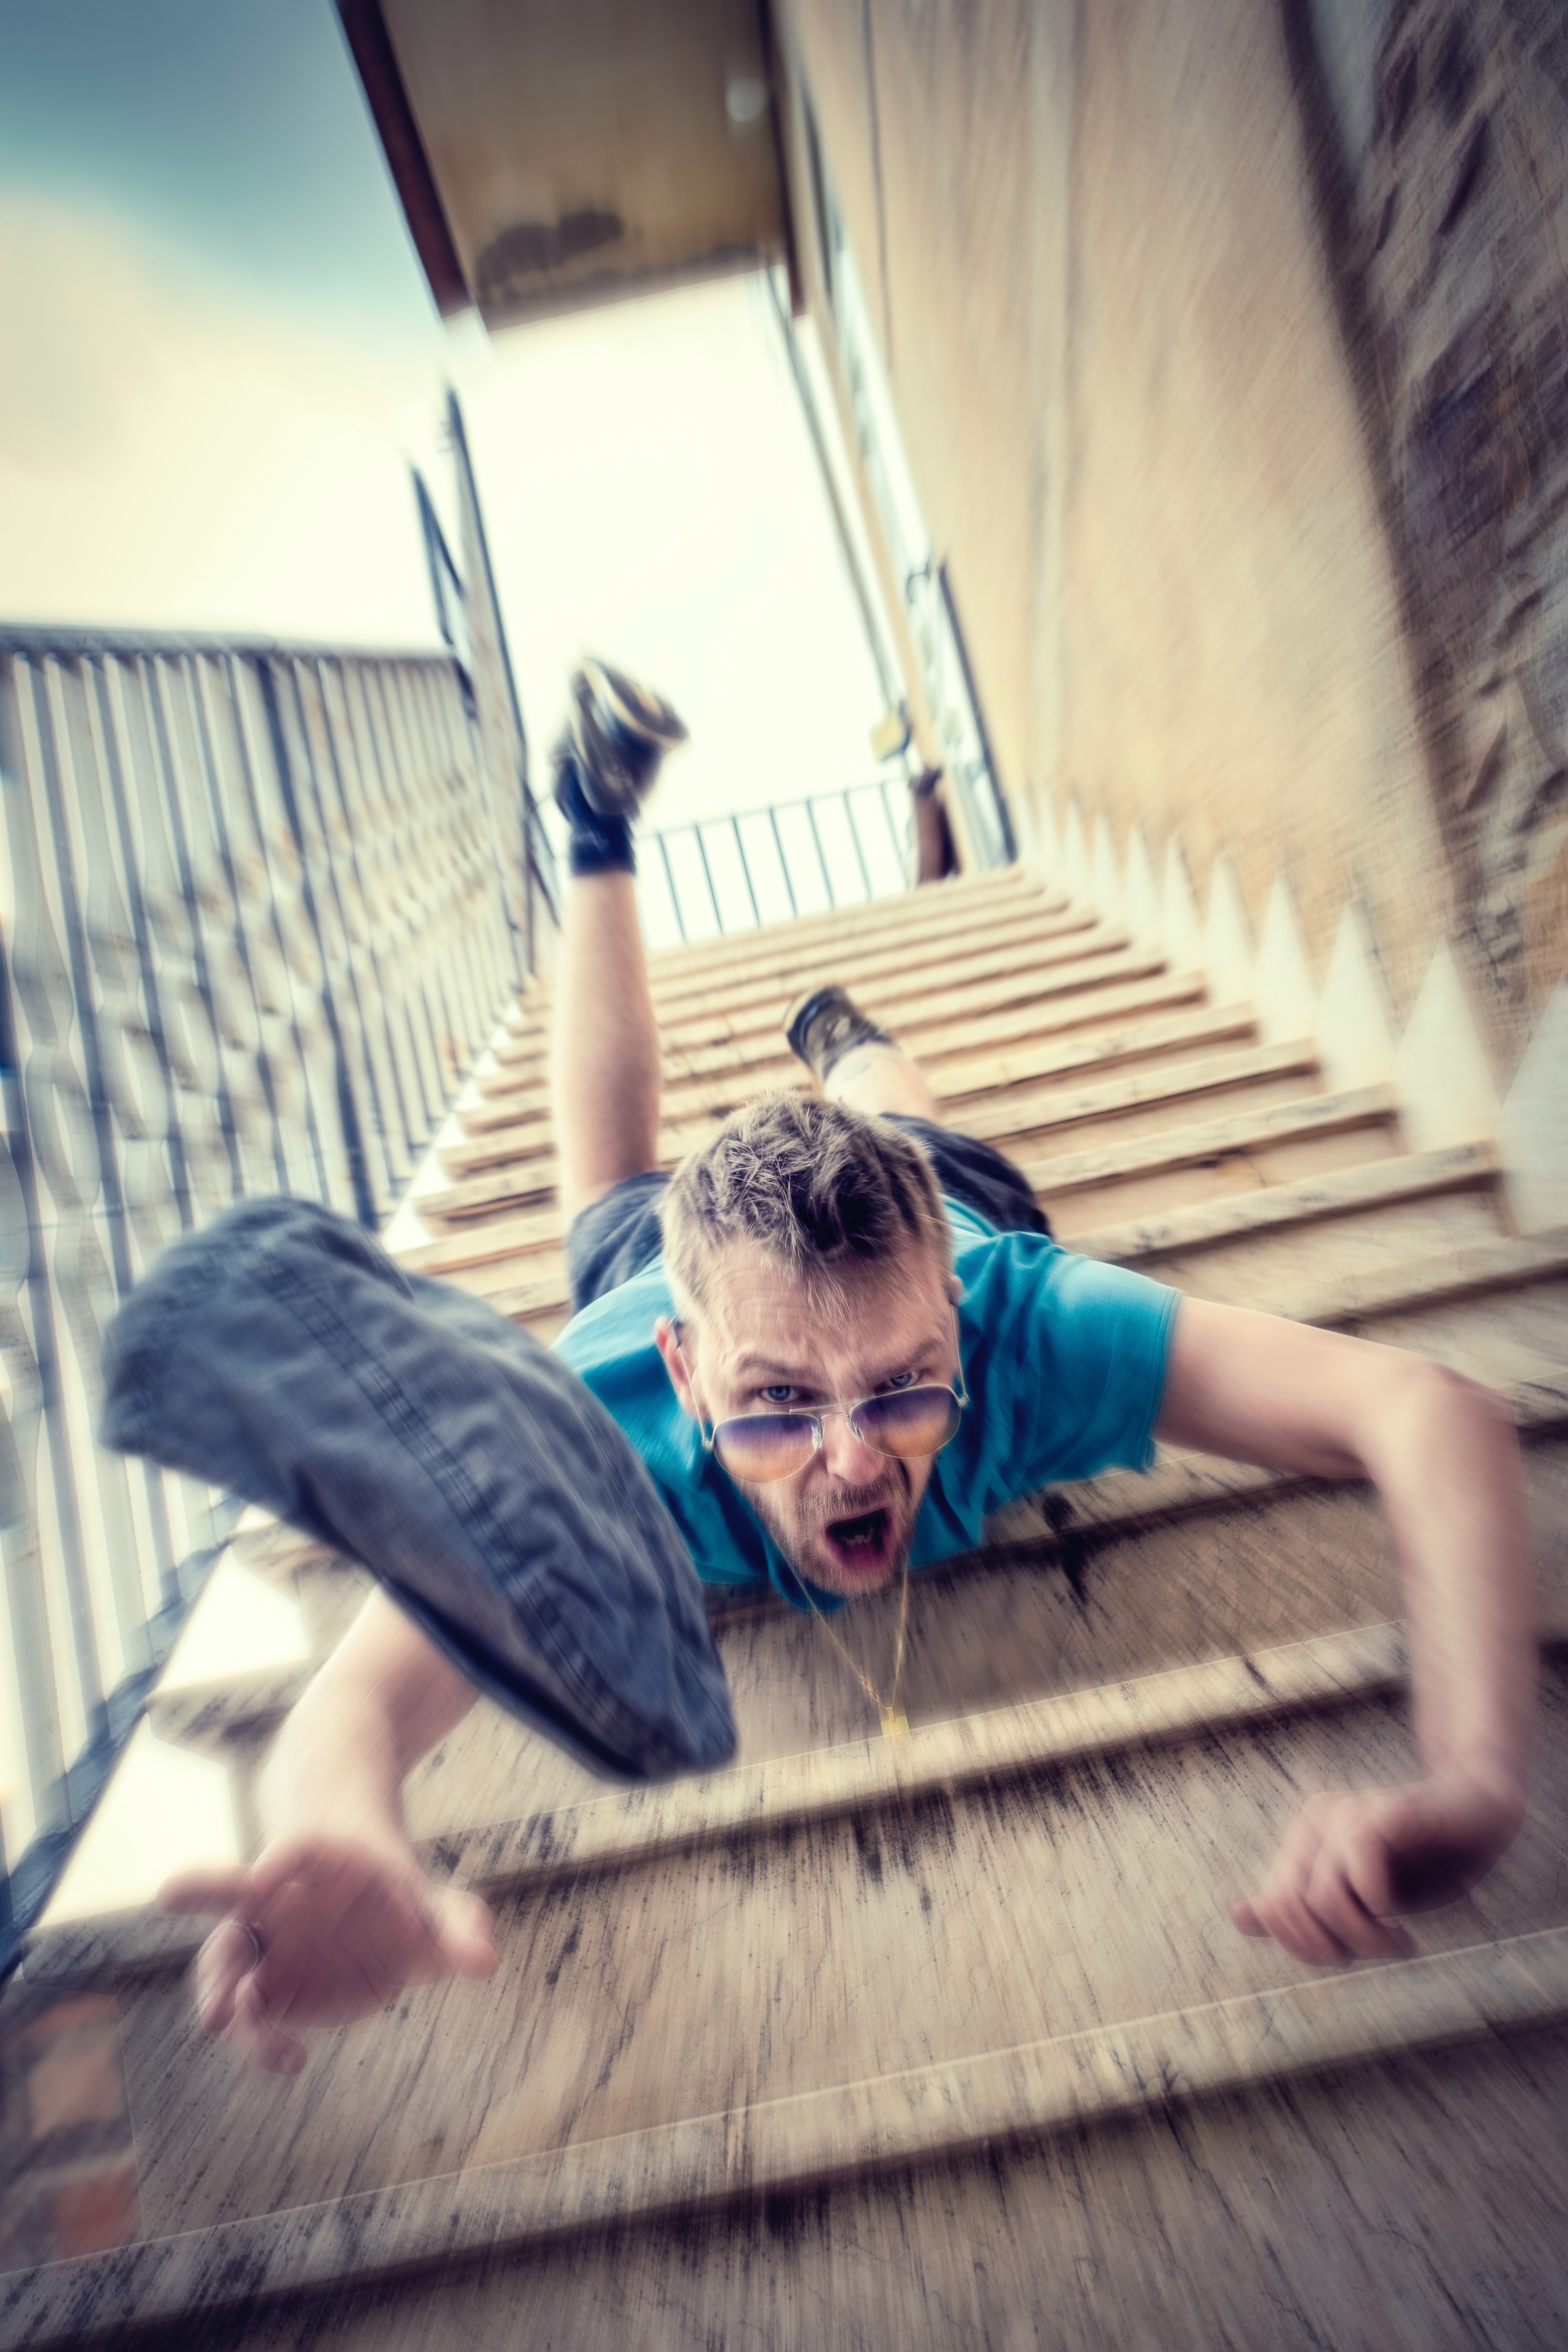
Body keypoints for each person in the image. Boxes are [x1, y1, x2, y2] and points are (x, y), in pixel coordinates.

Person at [158, 660, 1536, 2076]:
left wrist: (1476, 1785)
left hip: (924, 1197)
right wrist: (338, 1829)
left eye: (901, 1384)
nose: (854, 1460)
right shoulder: (585, 1444)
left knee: (914, 1138)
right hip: (659, 1261)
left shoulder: (1023, 1319)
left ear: (955, 1317)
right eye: (773, 1408)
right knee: (604, 1201)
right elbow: (356, 1704)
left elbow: (1422, 1411)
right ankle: (593, 822)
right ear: (686, 1377)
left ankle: (849, 1052)